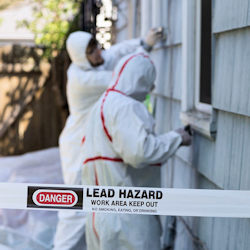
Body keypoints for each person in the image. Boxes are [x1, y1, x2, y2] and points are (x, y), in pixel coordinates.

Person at [53, 29, 164, 250]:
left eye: (96, 46)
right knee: (76, 203)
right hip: (77, 144)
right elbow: (122, 76)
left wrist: (141, 40)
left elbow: (117, 51)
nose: (98, 53)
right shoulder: (81, 78)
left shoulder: (95, 62)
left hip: (92, 140)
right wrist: (145, 49)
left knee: (97, 200)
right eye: (91, 51)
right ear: (80, 57)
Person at [80, 51, 192, 250]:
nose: (151, 88)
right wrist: (177, 138)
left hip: (99, 214)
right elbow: (140, 153)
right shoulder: (125, 107)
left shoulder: (100, 106)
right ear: (140, 78)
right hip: (128, 216)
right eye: (149, 81)